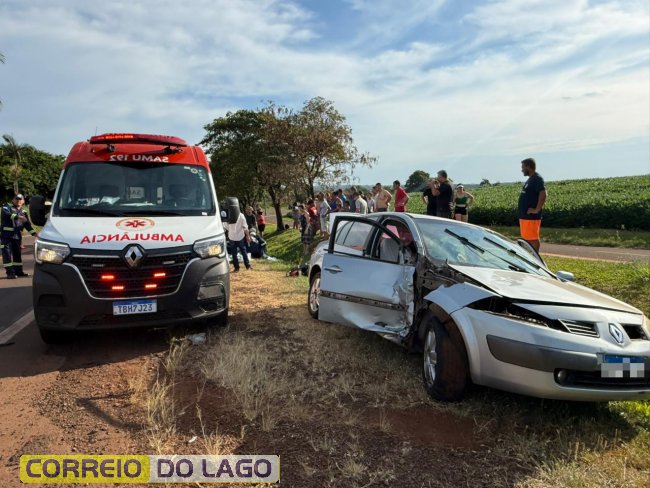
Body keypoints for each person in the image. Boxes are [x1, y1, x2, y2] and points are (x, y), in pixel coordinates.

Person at [2, 194, 37, 279]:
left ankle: (18, 272)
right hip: (6, 237)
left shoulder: (24, 212)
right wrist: (19, 217)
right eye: (16, 199)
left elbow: (27, 225)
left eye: (20, 199)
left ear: (23, 201)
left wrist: (35, 234)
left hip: (17, 237)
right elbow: (7, 215)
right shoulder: (6, 207)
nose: (18, 200)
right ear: (13, 200)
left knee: (17, 255)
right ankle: (10, 273)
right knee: (7, 255)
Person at [518, 157, 547, 252]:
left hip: (531, 217)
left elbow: (543, 193)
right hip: (525, 217)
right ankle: (530, 257)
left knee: (533, 238)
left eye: (523, 167)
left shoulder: (537, 179)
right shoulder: (530, 179)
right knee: (527, 238)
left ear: (528, 167)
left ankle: (535, 258)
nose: (522, 170)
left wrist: (536, 210)